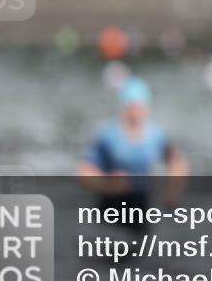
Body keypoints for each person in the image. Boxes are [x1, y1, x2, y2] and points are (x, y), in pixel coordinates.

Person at [78, 77, 189, 231]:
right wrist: (107, 184)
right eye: (131, 106)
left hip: (141, 205)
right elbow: (85, 171)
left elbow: (177, 162)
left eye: (139, 106)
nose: (135, 112)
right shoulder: (109, 136)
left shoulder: (156, 136)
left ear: (147, 107)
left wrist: (173, 190)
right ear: (124, 107)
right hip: (110, 206)